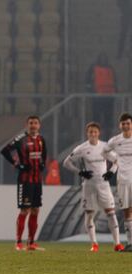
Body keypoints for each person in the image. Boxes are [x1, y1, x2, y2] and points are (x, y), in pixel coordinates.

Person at [63, 122, 123, 252]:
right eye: (90, 132)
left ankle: (117, 244)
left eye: (95, 131)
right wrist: (80, 172)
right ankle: (94, 244)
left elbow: (117, 160)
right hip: (89, 185)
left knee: (111, 213)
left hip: (103, 184)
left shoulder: (104, 147)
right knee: (89, 214)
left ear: (99, 133)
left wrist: (112, 171)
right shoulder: (82, 148)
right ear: (87, 133)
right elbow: (66, 163)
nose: (93, 134)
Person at [0, 115, 47, 251]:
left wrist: (43, 164)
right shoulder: (21, 139)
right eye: (31, 123)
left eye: (36, 123)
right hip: (25, 180)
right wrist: (17, 164)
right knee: (24, 210)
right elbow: (5, 151)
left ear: (39, 125)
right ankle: (18, 242)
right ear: (27, 125)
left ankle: (31, 243)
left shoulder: (41, 140)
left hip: (37, 180)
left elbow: (44, 155)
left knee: (35, 209)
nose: (33, 125)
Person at [103, 113, 132, 251]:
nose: (125, 125)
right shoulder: (115, 140)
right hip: (123, 180)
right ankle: (130, 243)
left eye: (128, 123)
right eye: (123, 123)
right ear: (120, 125)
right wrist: (115, 159)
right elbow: (105, 152)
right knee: (127, 210)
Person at [86, 53, 117, 136]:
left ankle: (108, 134)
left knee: (108, 117)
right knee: (96, 117)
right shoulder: (93, 68)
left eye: (104, 58)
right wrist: (90, 91)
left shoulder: (110, 69)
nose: (103, 60)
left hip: (108, 97)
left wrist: (115, 92)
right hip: (97, 97)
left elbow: (114, 81)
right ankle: (96, 134)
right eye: (101, 58)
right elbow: (88, 81)